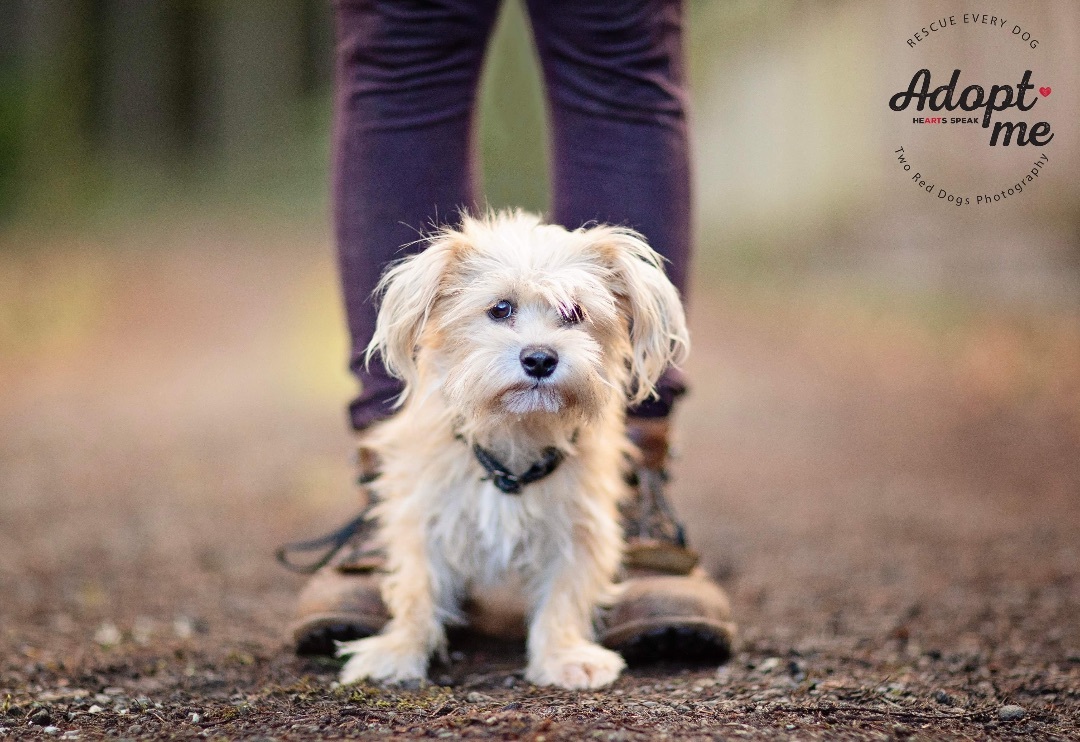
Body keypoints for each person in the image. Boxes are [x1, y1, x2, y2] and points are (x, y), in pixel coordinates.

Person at [278, 0, 735, 664]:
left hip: (589, 446)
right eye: (500, 314)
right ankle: (392, 482)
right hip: (431, 419)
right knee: (405, 43)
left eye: (572, 316)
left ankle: (635, 471)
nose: (540, 344)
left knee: (619, 45)